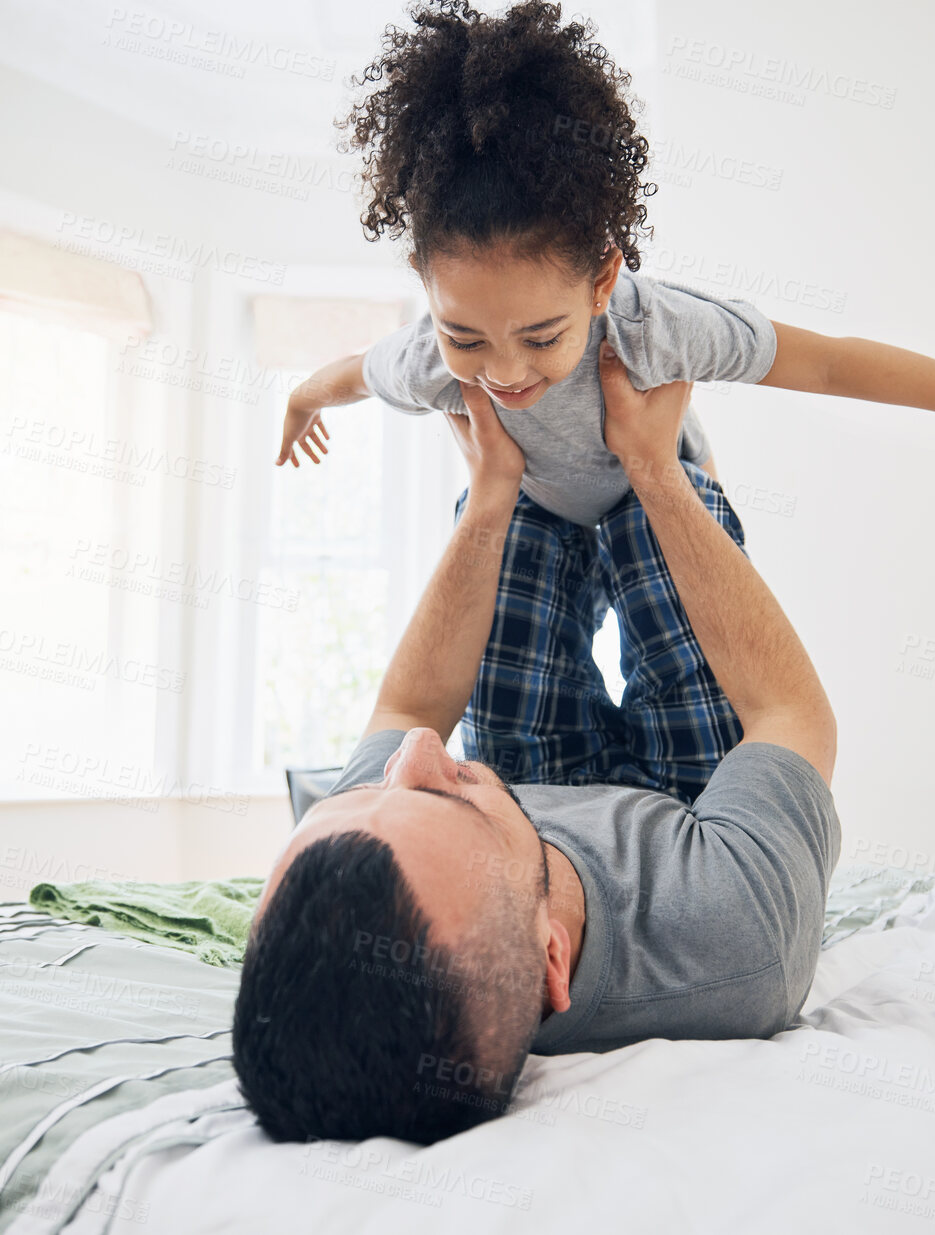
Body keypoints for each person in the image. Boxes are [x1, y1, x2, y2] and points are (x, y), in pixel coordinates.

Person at [275, 0, 935, 770]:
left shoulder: (655, 331)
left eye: (541, 337)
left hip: (655, 498)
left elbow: (826, 360)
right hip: (528, 513)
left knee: (702, 728)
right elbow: (352, 373)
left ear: (602, 281)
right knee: (511, 739)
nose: (504, 372)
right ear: (426, 283)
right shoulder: (429, 358)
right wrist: (300, 400)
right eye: (467, 338)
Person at [233, 350, 839, 1145]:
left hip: (535, 780)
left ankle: (531, 498)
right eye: (444, 793)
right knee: (653, 519)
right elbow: (789, 712)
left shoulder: (364, 860)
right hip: (699, 817)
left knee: (518, 528)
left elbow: (409, 705)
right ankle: (669, 474)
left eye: (371, 790)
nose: (415, 751)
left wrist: (489, 499)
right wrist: (655, 470)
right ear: (550, 958)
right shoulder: (734, 937)